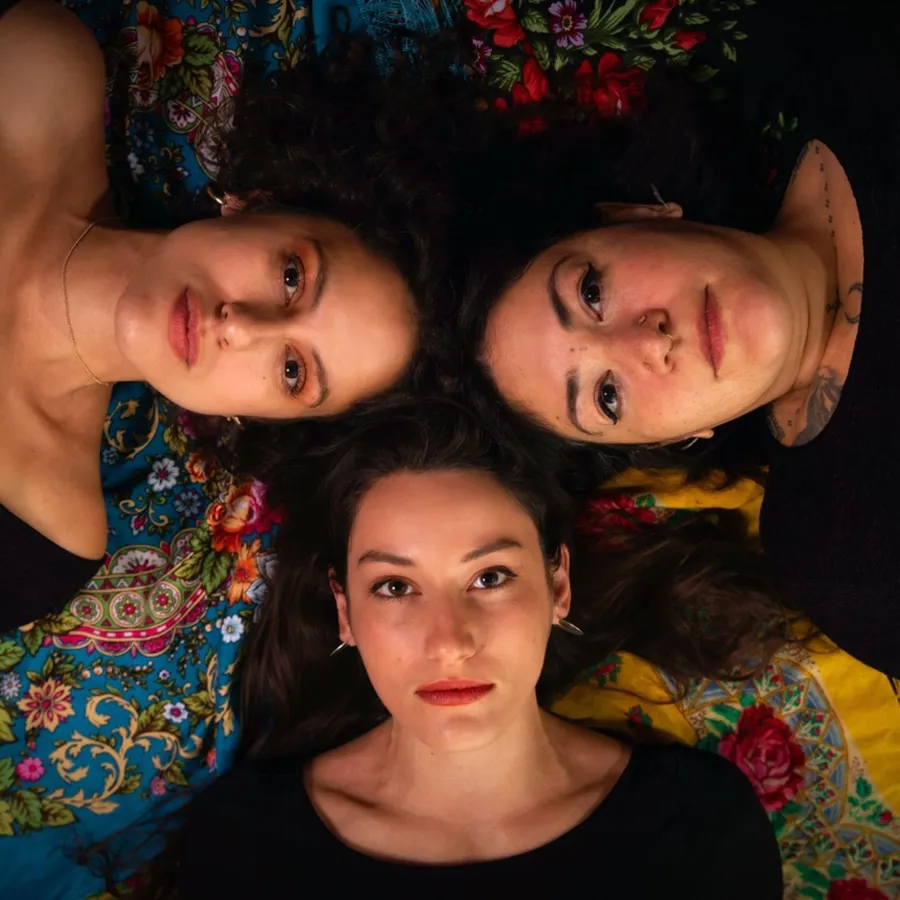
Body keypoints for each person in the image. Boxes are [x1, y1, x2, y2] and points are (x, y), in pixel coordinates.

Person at [134, 398, 784, 899]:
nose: (449, 643)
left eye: (490, 577)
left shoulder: (699, 828)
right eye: (395, 587)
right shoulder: (247, 845)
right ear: (345, 611)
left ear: (558, 585)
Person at [455, 0, 900, 676]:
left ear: (637, 214)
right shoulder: (843, 555)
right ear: (676, 438)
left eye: (591, 292)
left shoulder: (831, 51)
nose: (647, 342)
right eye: (607, 397)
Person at [0, 0, 462, 630]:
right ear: (258, 202)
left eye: (293, 371)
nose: (240, 326)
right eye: (292, 276)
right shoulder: (38, 73)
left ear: (259, 418)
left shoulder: (42, 532)